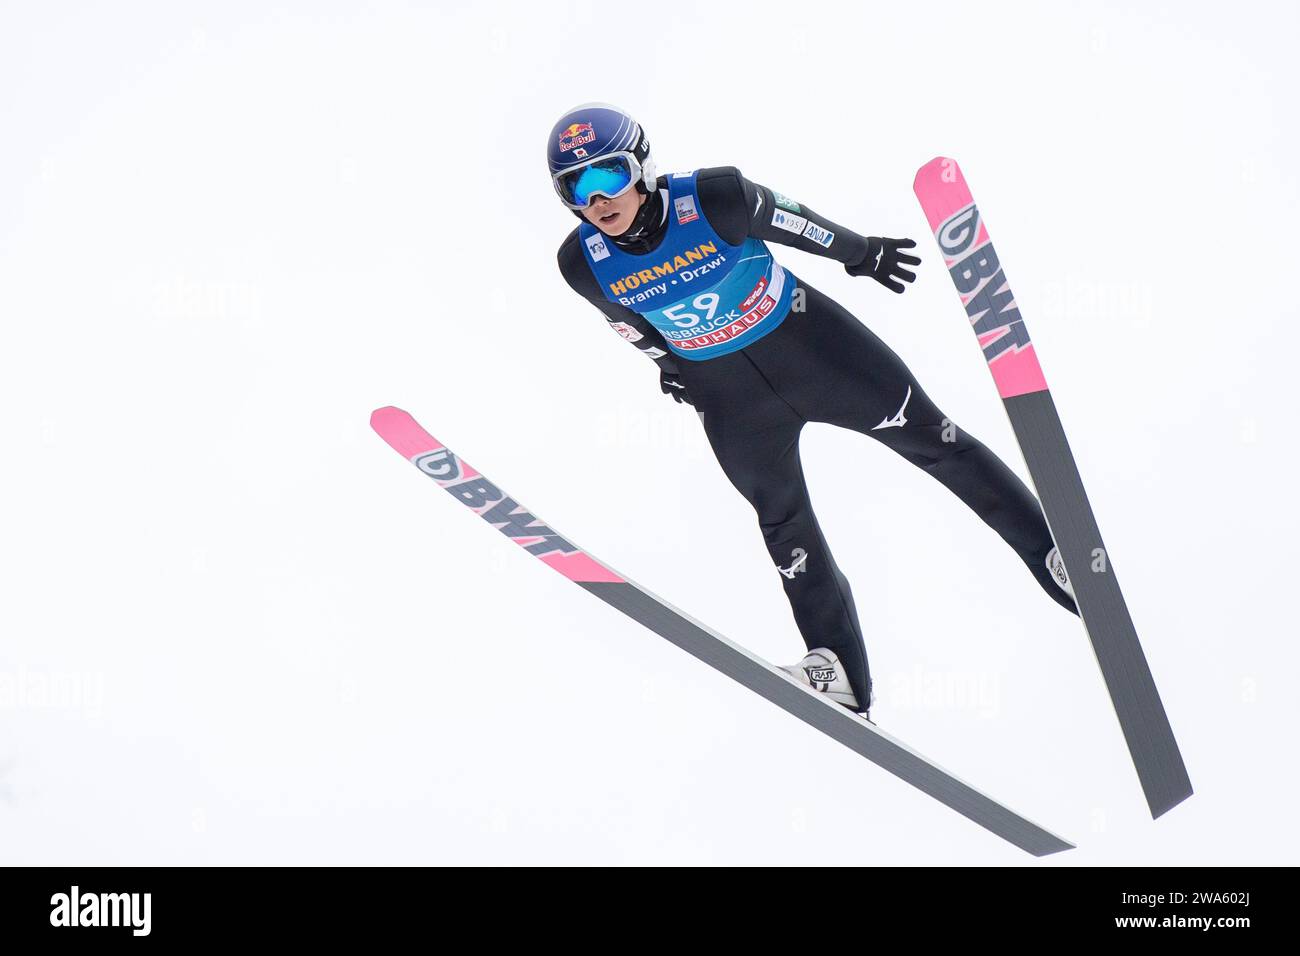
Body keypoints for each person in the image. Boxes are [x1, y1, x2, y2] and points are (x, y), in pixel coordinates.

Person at [550, 103, 1076, 718]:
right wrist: (672, 370)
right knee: (782, 521)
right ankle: (836, 667)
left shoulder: (714, 197)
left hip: (816, 352)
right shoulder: (581, 263)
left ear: (639, 166)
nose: (597, 200)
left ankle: (1053, 557)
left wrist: (861, 253)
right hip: (731, 400)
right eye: (575, 189)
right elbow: (632, 326)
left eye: (606, 176)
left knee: (937, 442)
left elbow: (795, 222)